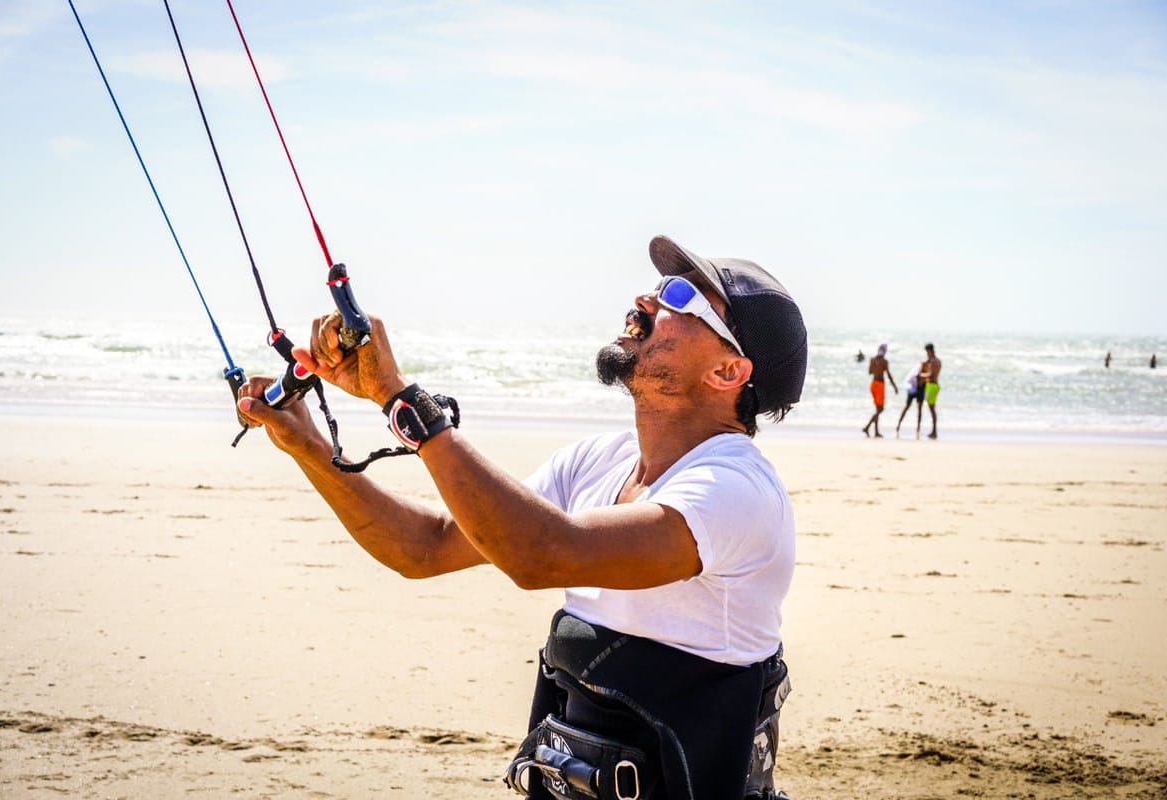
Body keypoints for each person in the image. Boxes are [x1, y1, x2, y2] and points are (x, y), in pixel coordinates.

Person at [235, 235, 807, 800]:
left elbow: (542, 555)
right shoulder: (597, 461)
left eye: (682, 294)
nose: (649, 298)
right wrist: (308, 445)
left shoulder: (737, 489)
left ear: (728, 372)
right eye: (660, 285)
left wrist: (400, 398)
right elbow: (426, 547)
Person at [862, 343, 898, 438]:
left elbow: (870, 372)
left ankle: (876, 431)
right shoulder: (884, 362)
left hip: (873, 384)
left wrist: (875, 366)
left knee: (877, 409)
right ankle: (867, 426)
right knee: (880, 409)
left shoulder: (873, 360)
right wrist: (894, 386)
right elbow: (889, 375)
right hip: (880, 385)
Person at [894, 362, 924, 437]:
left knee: (919, 410)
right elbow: (918, 376)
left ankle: (918, 429)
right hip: (913, 388)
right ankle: (898, 425)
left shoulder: (925, 366)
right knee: (907, 407)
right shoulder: (921, 366)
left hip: (920, 389)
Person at [922, 343, 942, 439]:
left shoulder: (934, 361)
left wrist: (920, 375)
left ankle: (934, 431)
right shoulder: (936, 361)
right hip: (934, 385)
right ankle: (933, 431)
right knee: (932, 409)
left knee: (932, 409)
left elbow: (931, 374)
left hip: (932, 385)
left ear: (929, 351)